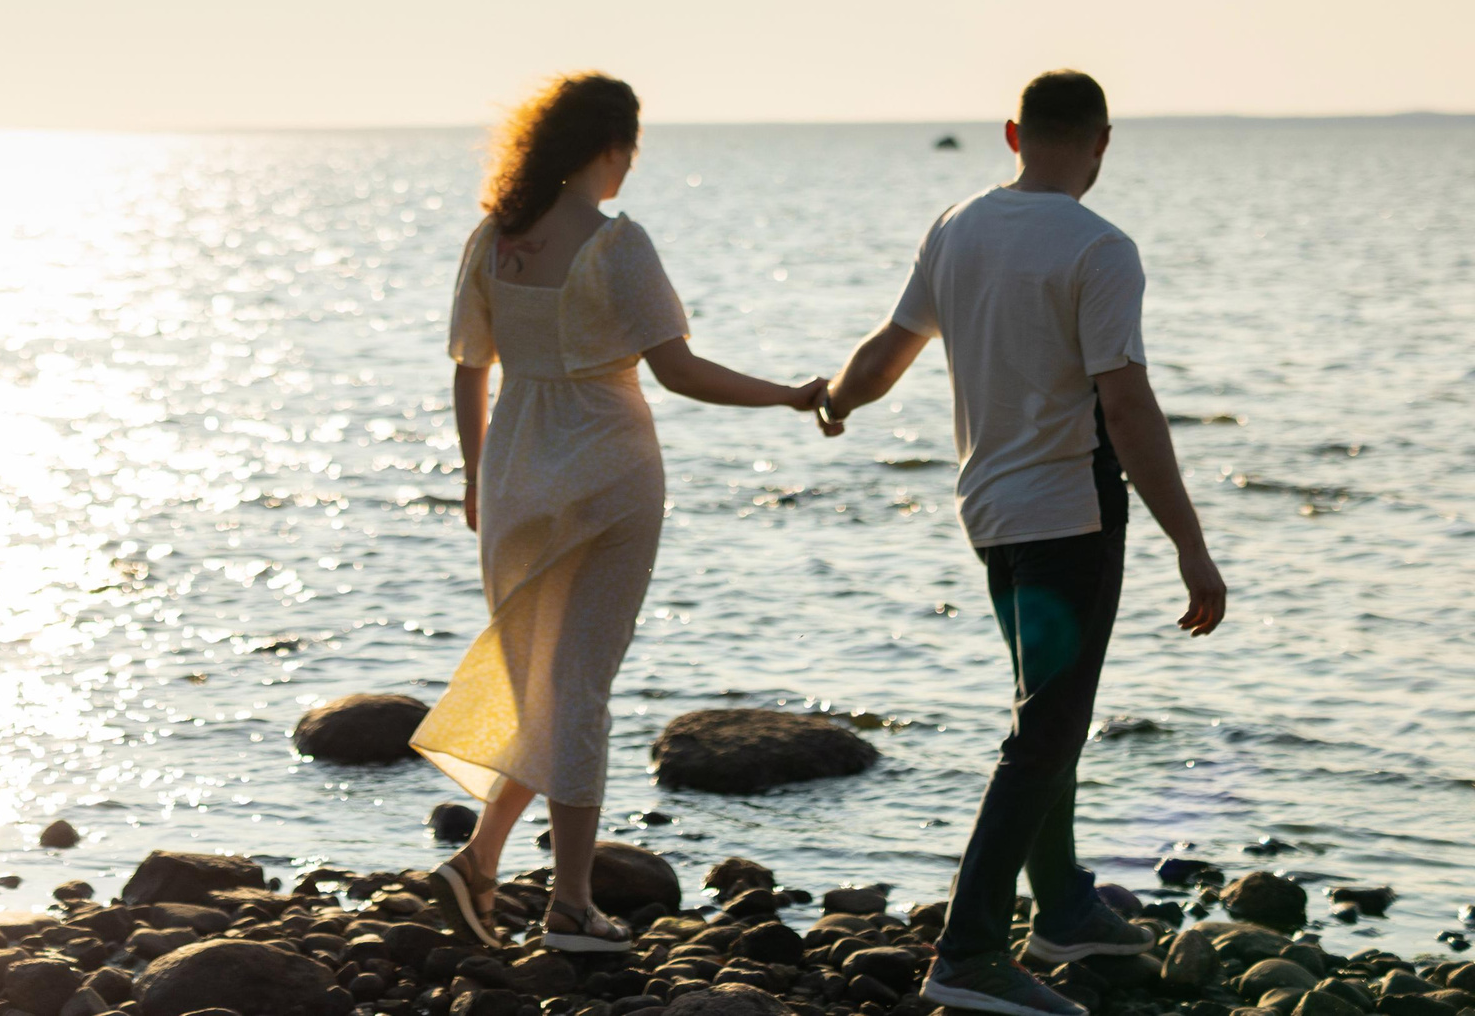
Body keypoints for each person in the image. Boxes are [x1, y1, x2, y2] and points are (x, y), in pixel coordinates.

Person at [817, 69, 1227, 1016]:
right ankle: (968, 954)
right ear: (1102, 140)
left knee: (1049, 715)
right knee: (1043, 732)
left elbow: (889, 346)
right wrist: (1191, 545)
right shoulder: (1101, 247)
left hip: (990, 513)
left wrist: (834, 396)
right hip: (1071, 515)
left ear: (1012, 133)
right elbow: (1124, 404)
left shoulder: (956, 223)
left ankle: (1066, 907)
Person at [413, 72, 828, 953]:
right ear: (610, 147)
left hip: (514, 471)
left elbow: (467, 368)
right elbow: (680, 372)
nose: (629, 167)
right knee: (580, 688)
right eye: (629, 150)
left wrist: (475, 475)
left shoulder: (493, 237)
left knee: (544, 685)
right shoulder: (615, 243)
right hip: (607, 469)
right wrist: (792, 395)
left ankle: (480, 859)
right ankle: (570, 902)